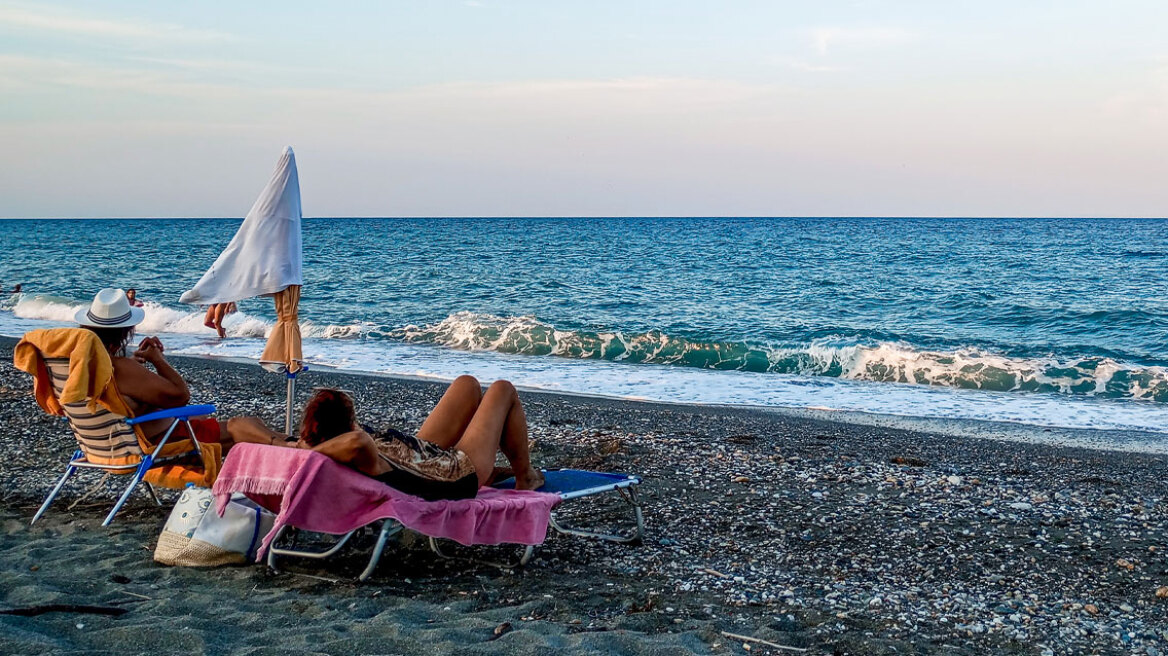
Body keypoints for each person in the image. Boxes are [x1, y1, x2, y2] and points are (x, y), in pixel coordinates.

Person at [235, 377, 546, 500]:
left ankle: (501, 469)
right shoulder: (356, 450)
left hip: (417, 454)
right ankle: (525, 477)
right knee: (502, 390)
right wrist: (307, 451)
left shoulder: (314, 443)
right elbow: (358, 443)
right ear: (349, 424)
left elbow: (239, 424)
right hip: (454, 473)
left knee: (467, 385)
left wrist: (290, 445)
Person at [76, 288, 276, 452]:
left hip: (102, 445)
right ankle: (295, 448)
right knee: (243, 426)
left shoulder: (81, 366)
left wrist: (132, 365)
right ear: (126, 331)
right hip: (154, 442)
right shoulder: (119, 368)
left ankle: (295, 444)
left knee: (207, 419)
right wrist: (158, 360)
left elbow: (121, 395)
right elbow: (180, 396)